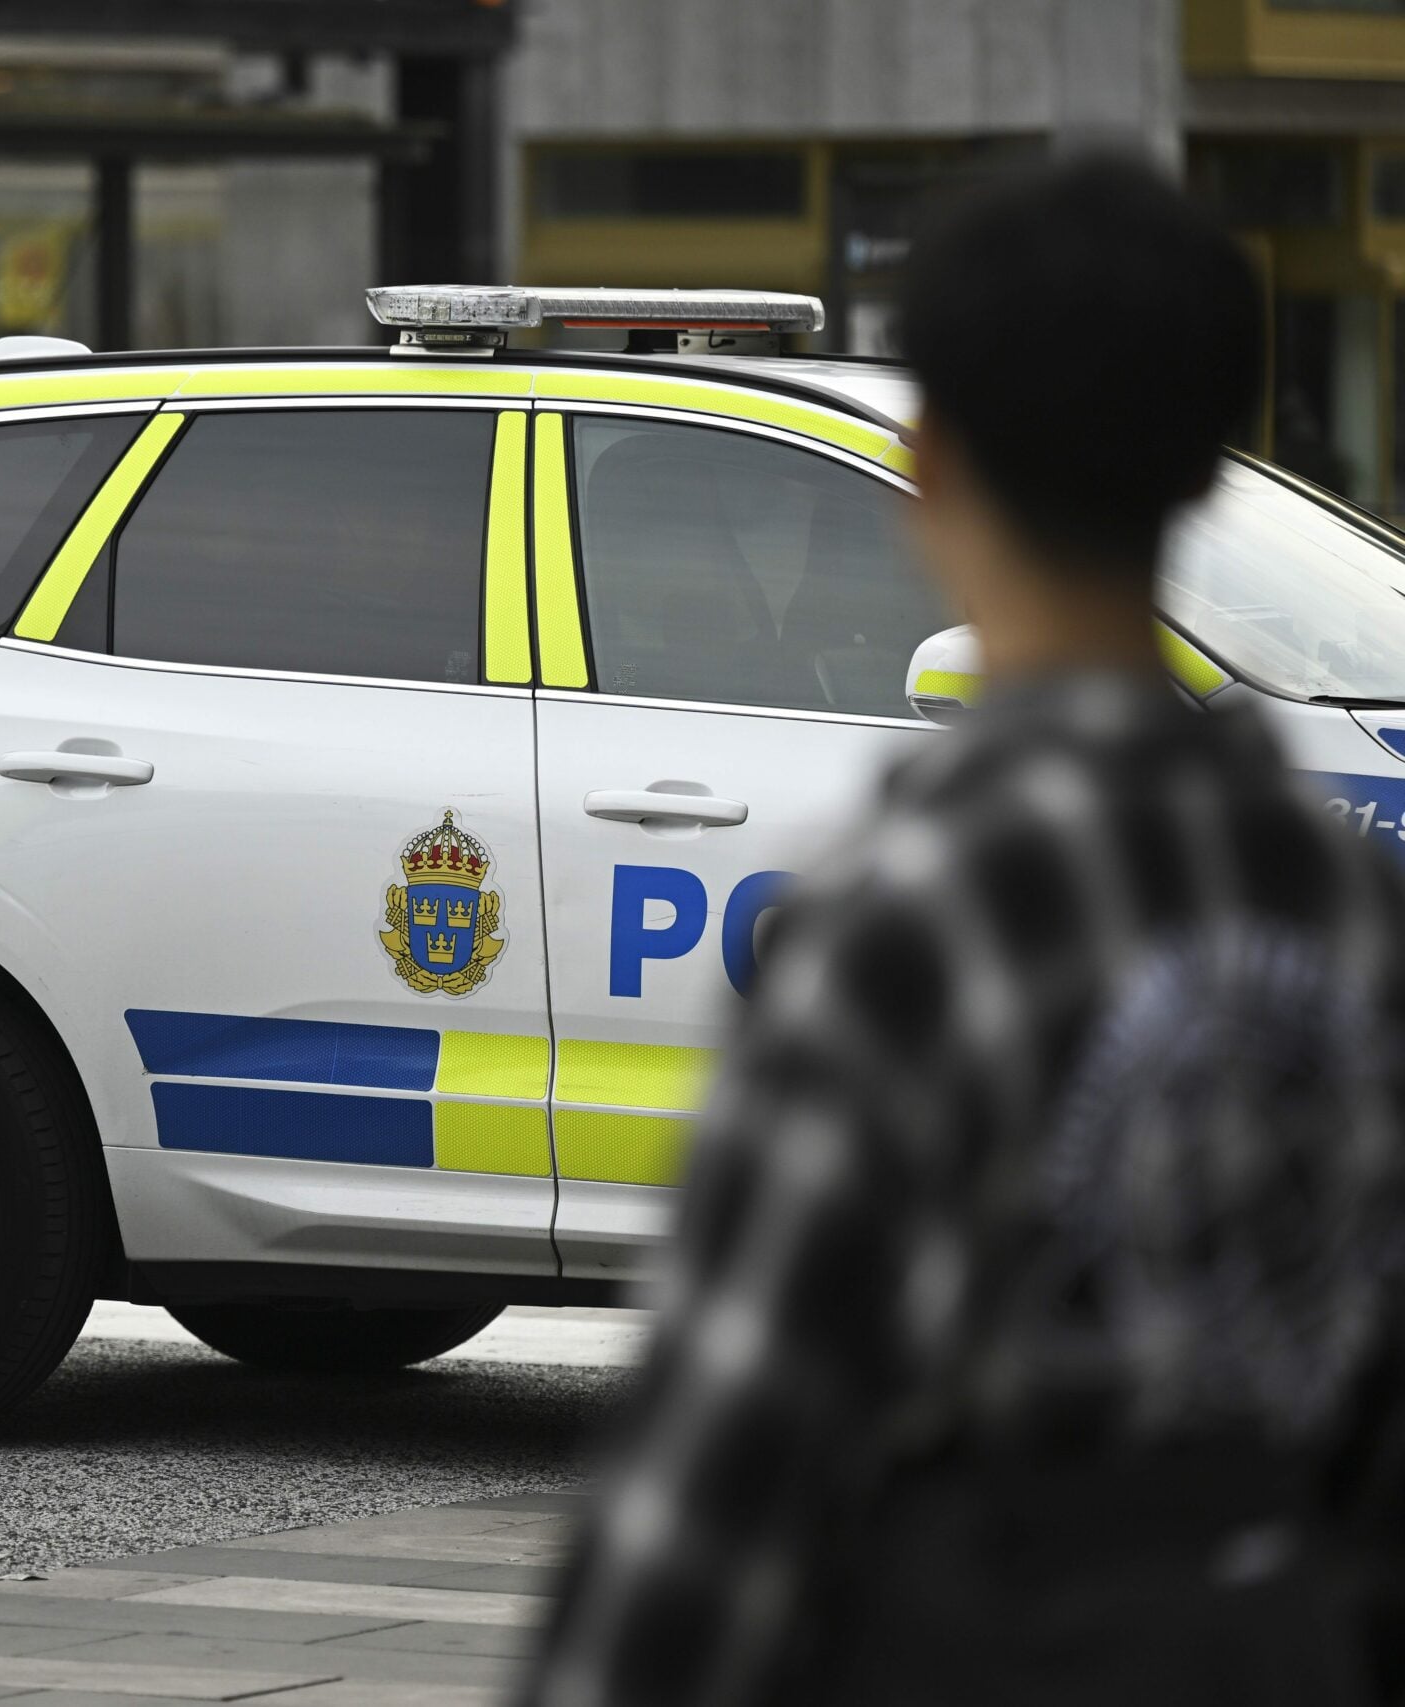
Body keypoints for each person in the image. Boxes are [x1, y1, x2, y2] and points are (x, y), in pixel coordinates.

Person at [524, 156, 1405, 1706]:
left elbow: (709, 1495)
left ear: (932, 465)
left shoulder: (918, 918)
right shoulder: (1341, 900)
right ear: (1211, 466)